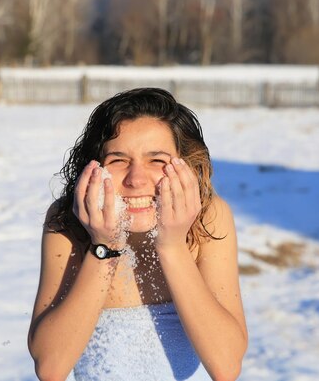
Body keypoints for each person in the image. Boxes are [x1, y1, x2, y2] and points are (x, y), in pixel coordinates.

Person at [28, 88, 248, 381]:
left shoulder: (209, 217)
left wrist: (171, 246)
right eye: (118, 160)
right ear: (94, 168)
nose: (136, 179)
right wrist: (104, 246)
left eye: (157, 160)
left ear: (187, 165)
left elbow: (226, 365)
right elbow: (50, 367)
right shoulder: (68, 222)